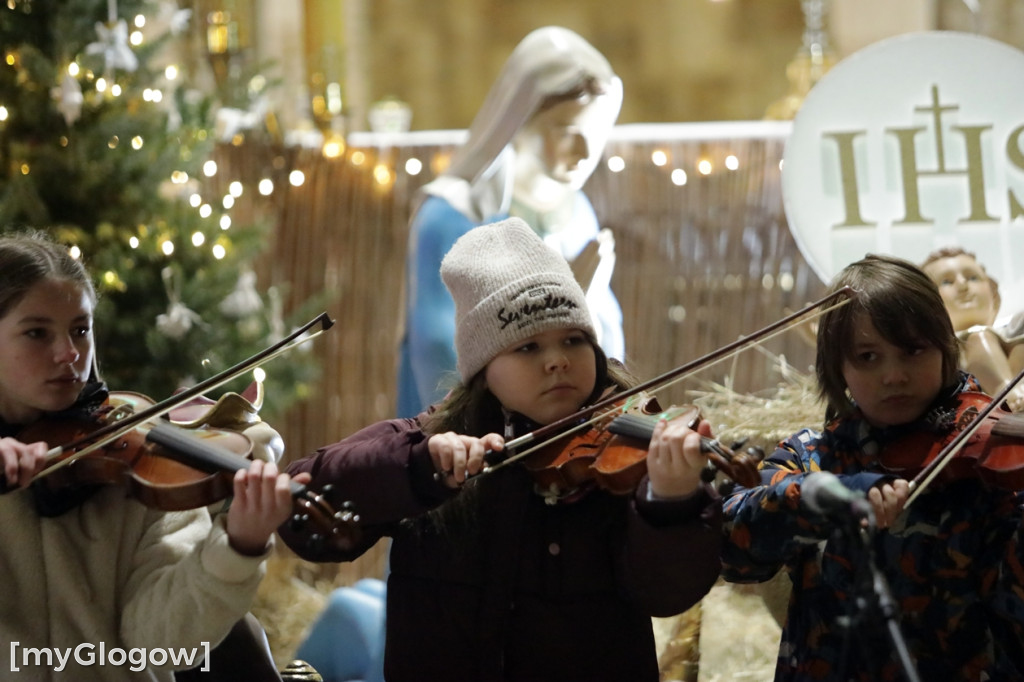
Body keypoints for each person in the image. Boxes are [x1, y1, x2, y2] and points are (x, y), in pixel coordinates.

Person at [280, 217, 722, 682]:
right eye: (528, 347)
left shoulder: (629, 455)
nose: (557, 359)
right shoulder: (428, 440)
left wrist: (670, 503)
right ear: (482, 369)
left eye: (574, 339)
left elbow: (668, 593)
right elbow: (304, 509)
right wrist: (417, 467)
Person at [0, 230, 307, 681]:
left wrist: (237, 548)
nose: (69, 353)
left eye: (80, 329)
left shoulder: (135, 458)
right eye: (36, 333)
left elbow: (159, 644)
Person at [720, 253, 1024, 681]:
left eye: (913, 350)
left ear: (944, 348)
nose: (894, 375)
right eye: (867, 357)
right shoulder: (812, 454)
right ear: (838, 367)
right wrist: (822, 494)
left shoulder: (992, 461)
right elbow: (735, 551)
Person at [396, 26, 625, 417]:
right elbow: (439, 350)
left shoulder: (577, 211)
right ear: (515, 125)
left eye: (595, 133)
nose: (584, 152)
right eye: (566, 132)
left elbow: (607, 334)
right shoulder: (455, 215)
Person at [921, 246, 1024, 412]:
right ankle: (1006, 393)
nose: (962, 285)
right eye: (946, 282)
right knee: (978, 337)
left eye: (973, 278)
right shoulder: (960, 342)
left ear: (993, 296)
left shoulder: (1009, 330)